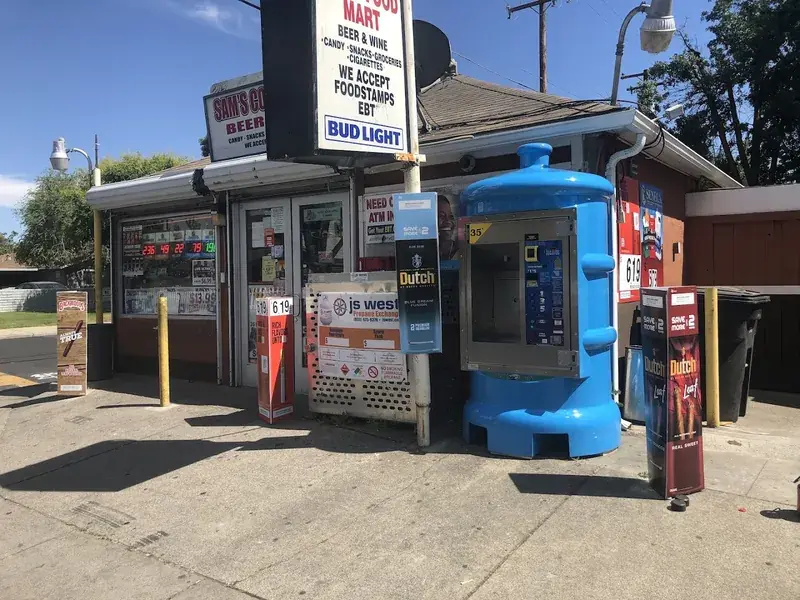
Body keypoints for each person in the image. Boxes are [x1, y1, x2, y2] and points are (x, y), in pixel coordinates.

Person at [437, 194, 458, 260]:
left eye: (451, 216)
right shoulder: (424, 251)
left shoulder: (460, 249)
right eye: (441, 216)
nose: (448, 221)